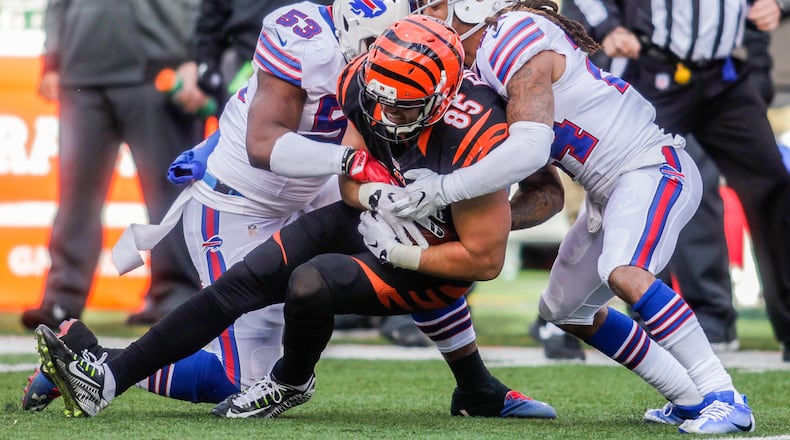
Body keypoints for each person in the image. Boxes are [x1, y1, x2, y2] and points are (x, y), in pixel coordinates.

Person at [33, 6, 562, 421]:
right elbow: (274, 143)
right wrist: (368, 180)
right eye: (374, 59)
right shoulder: (328, 53)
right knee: (240, 352)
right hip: (246, 199)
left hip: (319, 185)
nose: (383, 105)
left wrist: (437, 199)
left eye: (402, 97)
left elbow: (504, 229)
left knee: (410, 239)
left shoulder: (462, 102)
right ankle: (98, 364)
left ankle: (476, 386)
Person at [381, 0, 755, 434]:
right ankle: (689, 398)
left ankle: (723, 394)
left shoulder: (513, 35)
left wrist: (443, 191)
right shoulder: (477, 73)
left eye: (435, 6)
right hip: (605, 191)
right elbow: (547, 195)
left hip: (649, 165)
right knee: (564, 309)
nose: (425, 15)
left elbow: (531, 148)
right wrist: (459, 225)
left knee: (624, 272)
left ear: (471, 5)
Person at [562, 0, 790, 361]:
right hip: (654, 70)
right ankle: (593, 317)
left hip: (725, 76)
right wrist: (609, 27)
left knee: (774, 186)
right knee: (632, 189)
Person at [21, 0, 206, 330]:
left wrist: (195, 57)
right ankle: (62, 300)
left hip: (160, 69)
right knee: (76, 195)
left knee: (170, 193)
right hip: (82, 72)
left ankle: (176, 296)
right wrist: (53, 60)